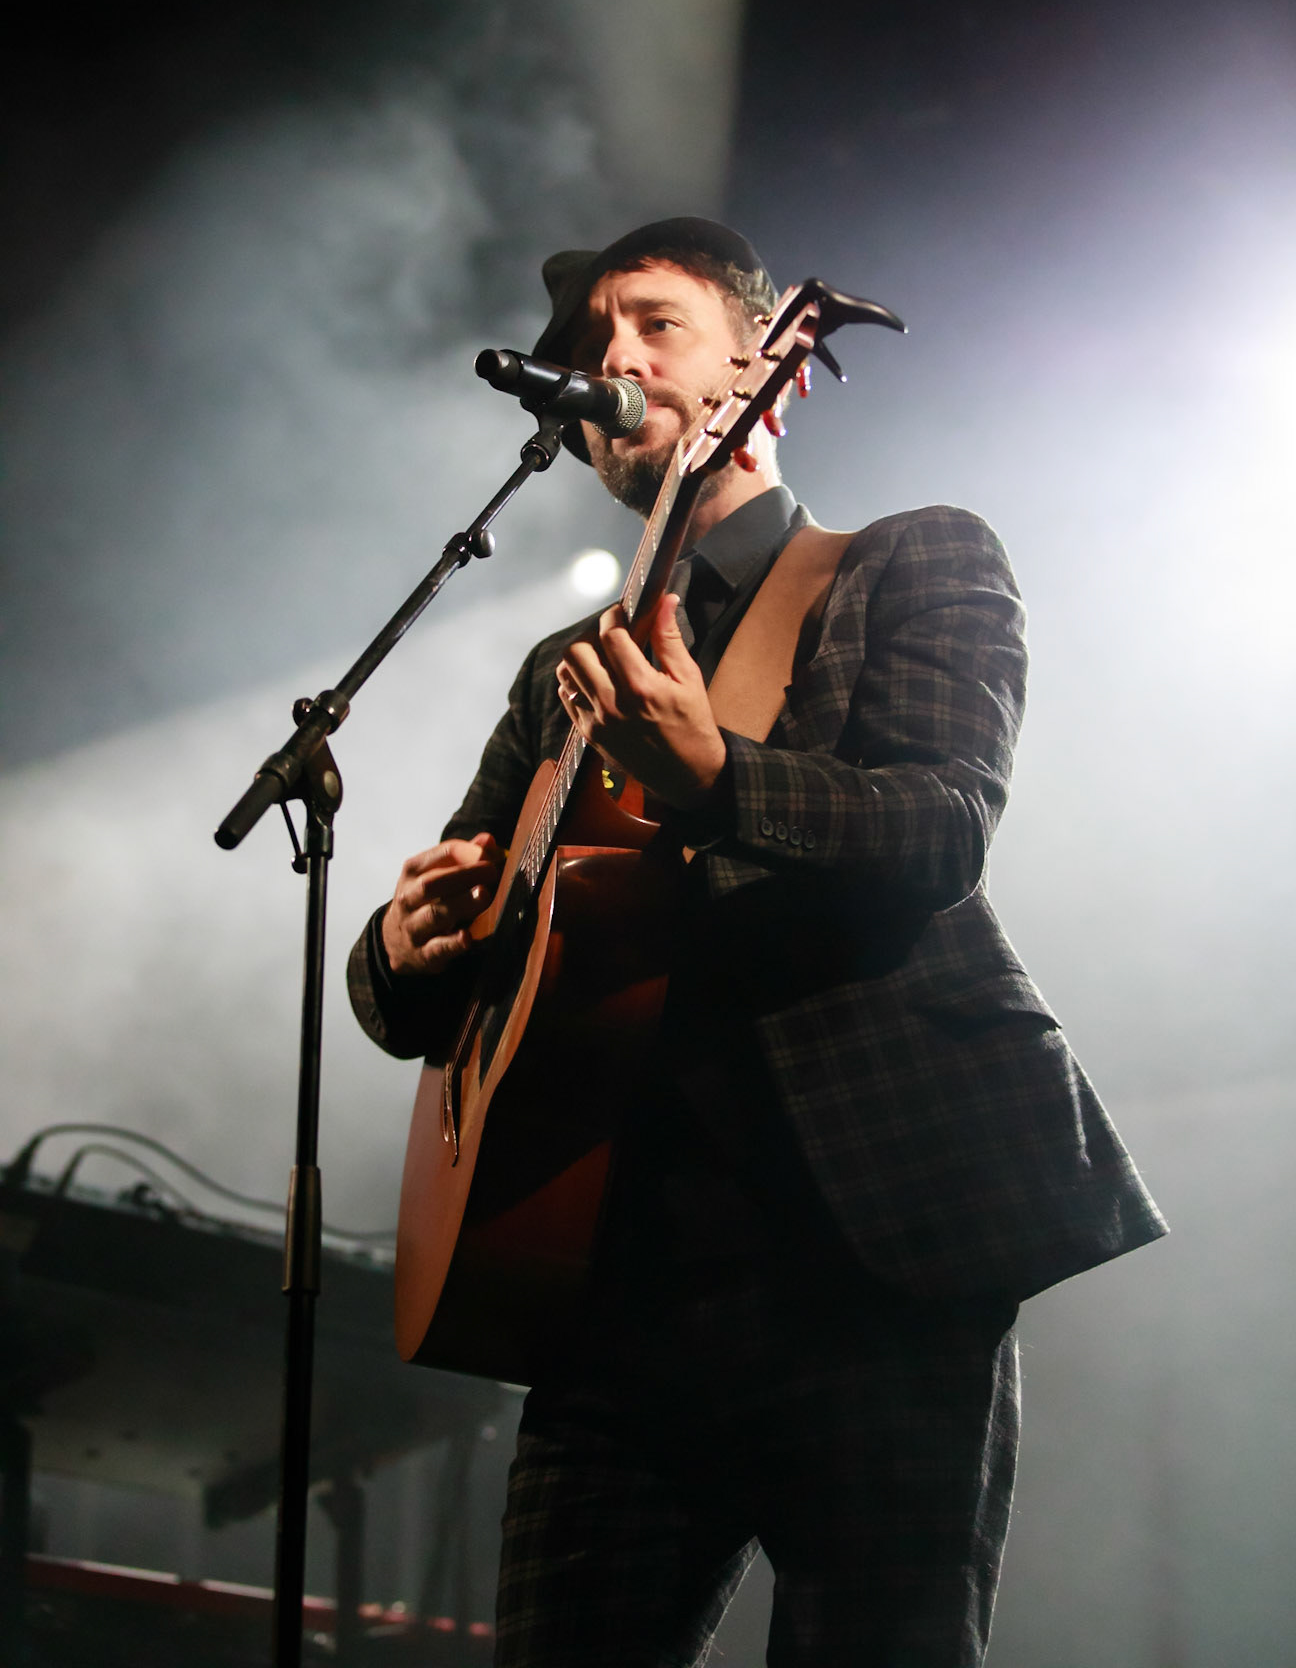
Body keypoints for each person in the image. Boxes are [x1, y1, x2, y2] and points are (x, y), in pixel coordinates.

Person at [347, 216, 1166, 1668]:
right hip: (608, 1290)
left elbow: (936, 829)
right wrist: (404, 954)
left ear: (763, 367)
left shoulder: (907, 563)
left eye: (652, 325)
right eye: (595, 341)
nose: (611, 359)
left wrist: (718, 781)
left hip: (871, 1258)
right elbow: (450, 947)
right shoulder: (564, 675)